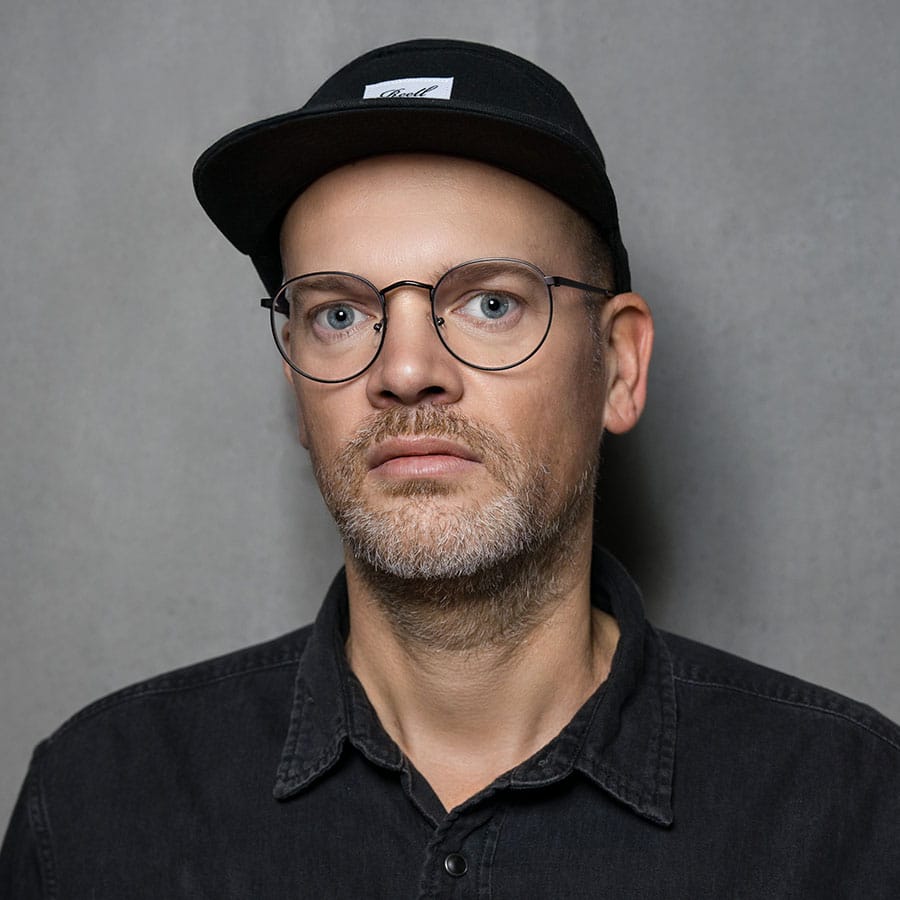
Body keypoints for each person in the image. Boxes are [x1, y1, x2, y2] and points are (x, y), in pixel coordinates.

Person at [2, 38, 898, 899]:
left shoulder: (853, 813)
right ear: (298, 390)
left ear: (620, 367)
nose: (403, 371)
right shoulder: (94, 809)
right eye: (339, 315)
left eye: (491, 303)